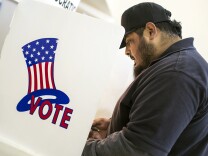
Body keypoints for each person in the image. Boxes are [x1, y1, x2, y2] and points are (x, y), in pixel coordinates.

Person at [82, 2, 208, 156]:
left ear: (150, 31)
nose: (127, 52)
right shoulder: (177, 65)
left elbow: (137, 150)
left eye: (129, 41)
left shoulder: (177, 73)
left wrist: (77, 146)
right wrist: (114, 126)